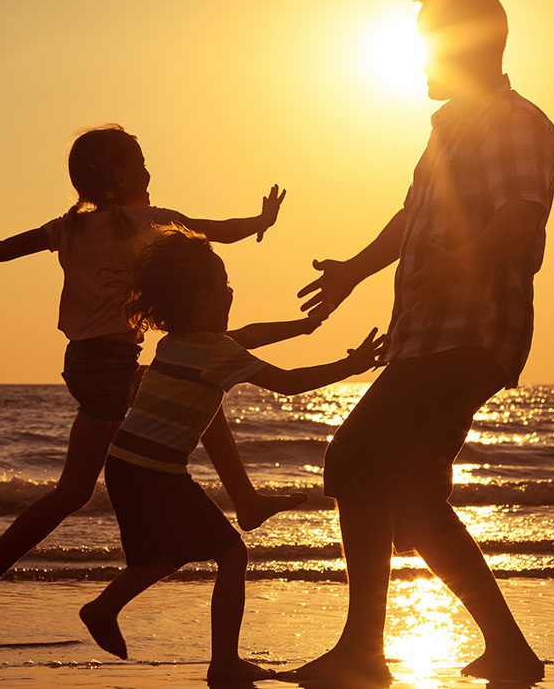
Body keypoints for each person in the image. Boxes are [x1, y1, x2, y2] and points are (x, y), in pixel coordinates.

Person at [0, 124, 305, 632]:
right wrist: (263, 219)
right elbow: (215, 229)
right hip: (109, 365)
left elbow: (1, 248)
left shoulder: (70, 229)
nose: (151, 173)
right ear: (122, 175)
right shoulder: (147, 221)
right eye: (143, 165)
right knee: (99, 468)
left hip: (84, 361)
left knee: (168, 415)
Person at [293, 0, 554, 684]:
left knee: (353, 460)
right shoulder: (451, 129)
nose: (417, 62)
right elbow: (412, 215)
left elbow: (521, 218)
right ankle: (509, 650)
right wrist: (354, 268)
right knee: (413, 500)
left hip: (467, 334)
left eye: (427, 46)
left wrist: (455, 263)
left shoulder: (512, 122)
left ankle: (362, 653)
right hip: (431, 336)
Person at [78, 226, 385, 681]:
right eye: (224, 285)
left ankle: (103, 608)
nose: (232, 291)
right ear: (205, 298)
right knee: (232, 556)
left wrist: (303, 326)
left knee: (163, 557)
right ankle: (223, 663)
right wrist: (350, 366)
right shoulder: (218, 352)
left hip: (126, 466)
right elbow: (289, 382)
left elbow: (250, 334)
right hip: (157, 473)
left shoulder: (178, 343)